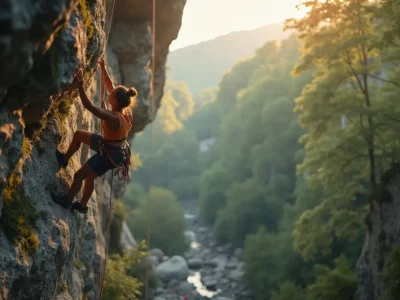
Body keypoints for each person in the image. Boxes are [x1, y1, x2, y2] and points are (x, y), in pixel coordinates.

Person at [54, 58, 137, 214]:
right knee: (78, 135)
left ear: (116, 100)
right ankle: (64, 161)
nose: (109, 93)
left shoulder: (112, 117)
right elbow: (110, 85)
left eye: (111, 94)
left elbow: (88, 106)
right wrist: (103, 68)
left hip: (109, 155)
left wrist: (80, 86)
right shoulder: (126, 113)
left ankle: (68, 201)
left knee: (80, 176)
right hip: (111, 147)